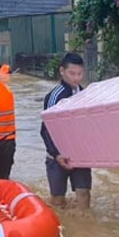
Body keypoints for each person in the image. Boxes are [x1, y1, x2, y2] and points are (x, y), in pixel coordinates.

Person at [40, 52, 92, 209]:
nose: (76, 78)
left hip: (80, 154)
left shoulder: (85, 94)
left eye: (80, 73)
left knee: (84, 194)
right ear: (62, 71)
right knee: (58, 200)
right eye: (72, 73)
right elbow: (46, 129)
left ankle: (84, 228)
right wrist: (57, 154)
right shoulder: (55, 96)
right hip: (57, 156)